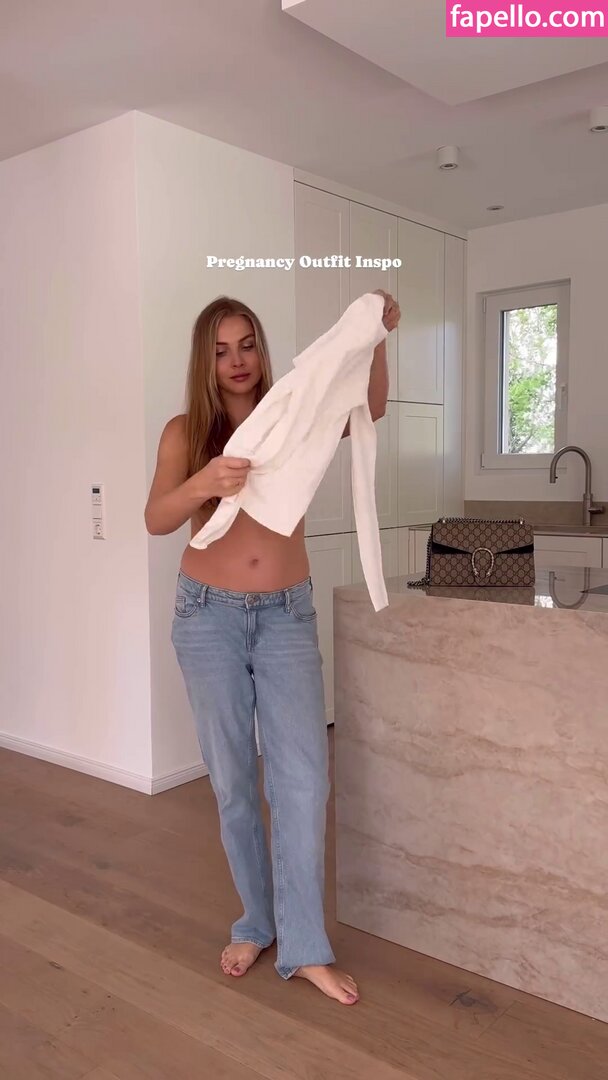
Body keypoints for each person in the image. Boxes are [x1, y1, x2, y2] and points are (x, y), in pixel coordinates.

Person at [145, 289, 400, 1005]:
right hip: (207, 617)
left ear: (261, 348)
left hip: (286, 614)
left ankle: (306, 947)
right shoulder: (185, 433)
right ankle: (256, 924)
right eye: (221, 350)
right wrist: (204, 480)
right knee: (233, 783)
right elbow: (156, 517)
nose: (237, 361)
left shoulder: (295, 413)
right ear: (205, 360)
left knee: (303, 782)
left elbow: (370, 407)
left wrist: (374, 335)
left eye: (247, 344)